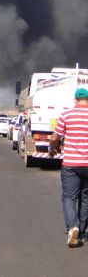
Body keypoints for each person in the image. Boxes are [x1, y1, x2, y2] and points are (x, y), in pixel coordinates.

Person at [49, 87, 88, 247]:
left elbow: (55, 136)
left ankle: (73, 227)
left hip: (71, 164)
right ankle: (83, 233)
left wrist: (52, 149)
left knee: (69, 197)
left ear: (75, 100)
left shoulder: (67, 114)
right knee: (85, 198)